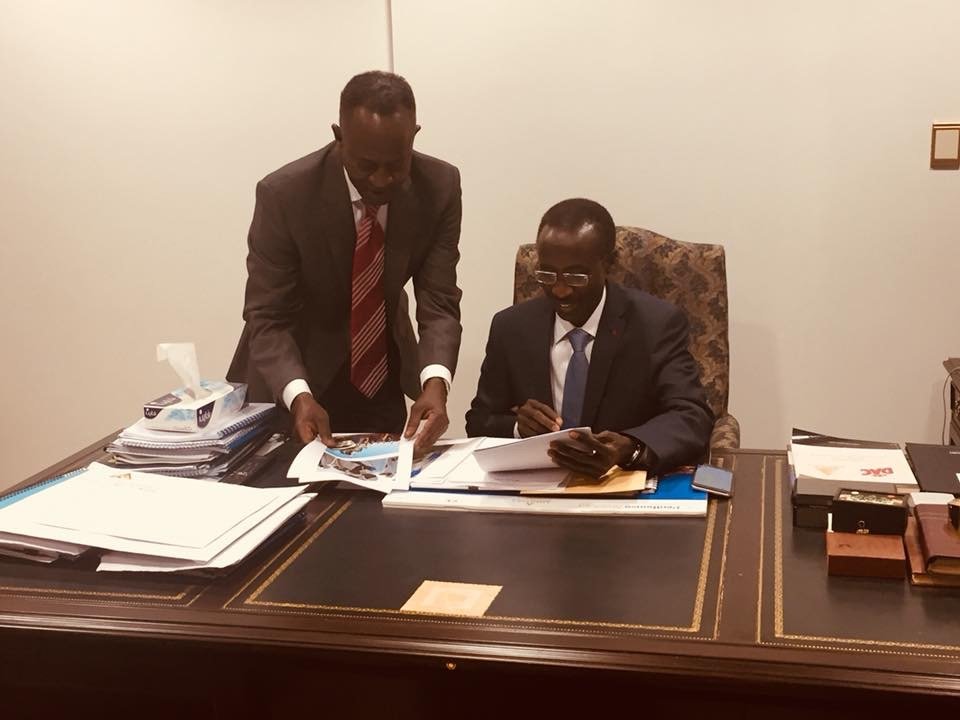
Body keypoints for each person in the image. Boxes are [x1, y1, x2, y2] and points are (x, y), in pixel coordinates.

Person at [227, 71, 462, 452]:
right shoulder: (285, 195)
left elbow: (439, 302)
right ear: (339, 137)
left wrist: (436, 382)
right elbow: (267, 315)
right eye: (366, 165)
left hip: (378, 373)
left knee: (385, 481)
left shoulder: (440, 186)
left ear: (414, 136)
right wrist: (299, 396)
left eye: (395, 165)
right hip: (293, 379)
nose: (381, 180)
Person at [465, 198, 713, 477]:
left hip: (620, 482)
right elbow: (480, 420)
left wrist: (630, 448)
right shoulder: (511, 327)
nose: (560, 290)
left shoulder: (656, 325)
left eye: (576, 276)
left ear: (609, 265)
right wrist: (517, 428)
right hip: (535, 486)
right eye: (547, 274)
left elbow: (691, 415)